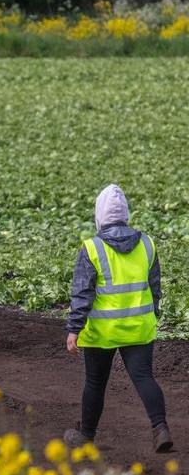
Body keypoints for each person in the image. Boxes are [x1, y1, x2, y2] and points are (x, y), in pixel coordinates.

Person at [62, 185, 172, 453]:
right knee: (144, 377)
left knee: (95, 383)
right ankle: (161, 429)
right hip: (139, 328)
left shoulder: (92, 248)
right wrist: (153, 314)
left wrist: (74, 329)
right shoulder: (147, 243)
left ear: (99, 215)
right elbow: (155, 286)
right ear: (126, 214)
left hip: (103, 331)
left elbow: (82, 293)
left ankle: (86, 435)